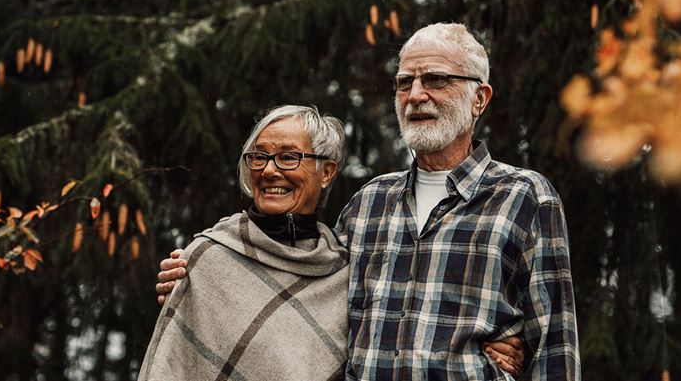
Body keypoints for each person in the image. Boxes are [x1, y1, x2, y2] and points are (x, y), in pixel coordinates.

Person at [160, 23, 577, 380]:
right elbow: (307, 291)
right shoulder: (369, 203)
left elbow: (555, 346)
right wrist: (207, 275)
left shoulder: (526, 196)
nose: (415, 95)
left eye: (435, 80)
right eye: (403, 83)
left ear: (479, 99)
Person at [140, 104, 524, 381]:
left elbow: (394, 324)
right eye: (258, 157)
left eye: (289, 157)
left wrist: (484, 348)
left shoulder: (342, 267)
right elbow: (173, 365)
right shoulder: (208, 258)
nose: (271, 170)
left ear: (327, 172)